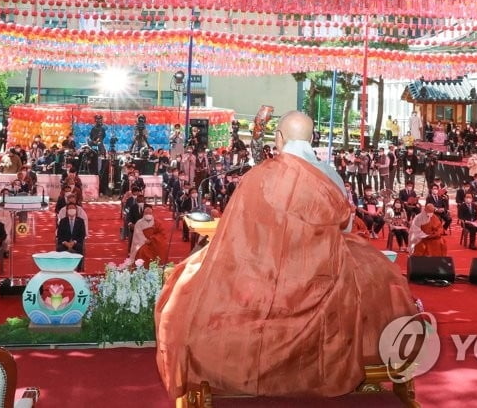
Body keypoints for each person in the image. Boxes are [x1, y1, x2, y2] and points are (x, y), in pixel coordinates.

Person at [155, 111, 418, 400]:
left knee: (188, 287)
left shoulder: (261, 176)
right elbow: (344, 225)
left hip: (268, 270)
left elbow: (243, 228)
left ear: (279, 138)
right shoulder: (329, 174)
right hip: (322, 272)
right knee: (378, 280)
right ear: (312, 138)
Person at [56, 202, 87, 269]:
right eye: (70, 208)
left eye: (73, 208)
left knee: (80, 248)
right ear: (67, 210)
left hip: (76, 243)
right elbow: (59, 235)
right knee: (59, 248)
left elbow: (82, 234)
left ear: (76, 210)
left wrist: (74, 242)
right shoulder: (63, 221)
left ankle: (79, 269)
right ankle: (61, 268)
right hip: (65, 243)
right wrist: (65, 242)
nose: (71, 209)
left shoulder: (80, 221)